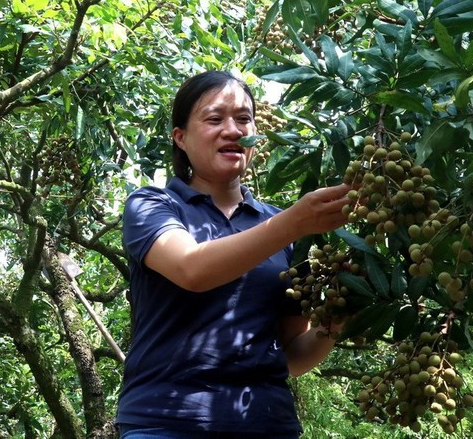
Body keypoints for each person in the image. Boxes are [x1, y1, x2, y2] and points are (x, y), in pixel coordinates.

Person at [116, 71, 352, 438]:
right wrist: (295, 223)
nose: (233, 130)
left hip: (268, 425)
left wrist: (336, 320)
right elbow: (190, 268)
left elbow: (291, 354)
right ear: (181, 137)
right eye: (214, 119)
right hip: (166, 423)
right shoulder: (153, 205)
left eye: (244, 119)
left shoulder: (283, 226)